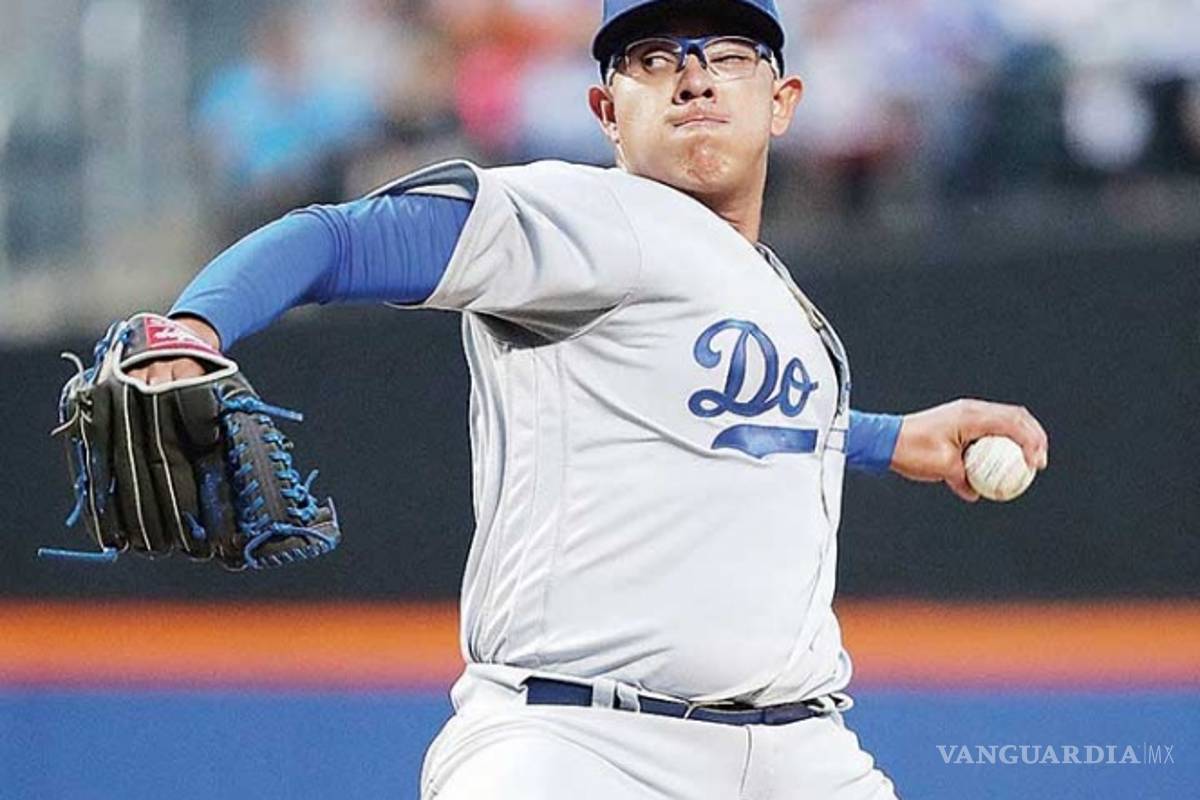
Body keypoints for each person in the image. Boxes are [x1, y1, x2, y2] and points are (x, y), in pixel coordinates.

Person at [133, 1, 1049, 797]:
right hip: (579, 746)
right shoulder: (588, 219)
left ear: (783, 101)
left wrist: (888, 441)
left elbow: (733, 427)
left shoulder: (773, 297)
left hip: (801, 750)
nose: (693, 78)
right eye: (655, 60)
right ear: (607, 113)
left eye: (728, 53)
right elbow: (337, 240)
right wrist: (195, 327)